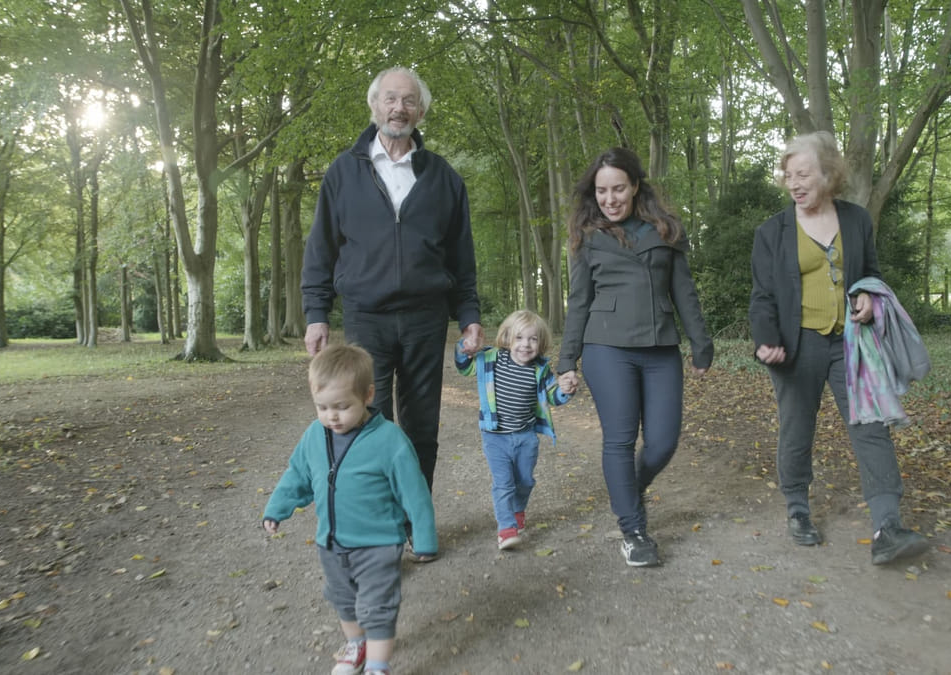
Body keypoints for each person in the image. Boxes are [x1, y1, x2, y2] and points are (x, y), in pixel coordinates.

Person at [301, 66, 484, 563]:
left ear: (420, 111)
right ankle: (377, 532)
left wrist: (469, 314)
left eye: (408, 100)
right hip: (366, 318)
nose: (398, 108)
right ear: (374, 106)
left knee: (422, 429)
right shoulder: (343, 172)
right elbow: (320, 249)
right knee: (366, 427)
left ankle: (413, 523)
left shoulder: (444, 178)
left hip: (427, 317)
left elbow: (461, 257)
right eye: (389, 99)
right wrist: (316, 312)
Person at [748, 130, 928, 566]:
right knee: (797, 429)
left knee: (872, 427)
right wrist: (767, 340)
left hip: (851, 344)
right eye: (789, 175)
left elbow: (871, 272)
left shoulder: (856, 220)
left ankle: (888, 526)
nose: (794, 183)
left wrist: (867, 295)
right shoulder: (772, 231)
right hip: (797, 346)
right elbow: (762, 296)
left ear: (828, 174)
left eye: (803, 174)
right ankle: (798, 509)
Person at [557, 147, 713, 567]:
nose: (610, 199)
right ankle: (633, 530)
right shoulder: (588, 237)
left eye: (618, 189)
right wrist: (566, 361)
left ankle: (630, 489)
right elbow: (579, 302)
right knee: (620, 440)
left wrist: (701, 343)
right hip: (606, 348)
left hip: (660, 348)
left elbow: (684, 291)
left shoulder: (665, 230)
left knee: (662, 442)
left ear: (635, 186)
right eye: (602, 191)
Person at [262, 343, 437, 675]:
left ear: (368, 395)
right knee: (343, 600)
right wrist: (276, 508)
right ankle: (357, 645)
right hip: (331, 543)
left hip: (378, 544)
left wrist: (425, 538)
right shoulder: (315, 435)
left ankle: (378, 665)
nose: (332, 416)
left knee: (378, 606)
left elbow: (415, 494)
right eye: (322, 407)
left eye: (342, 407)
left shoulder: (390, 440)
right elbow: (297, 474)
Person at [454, 310, 574, 551]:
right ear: (507, 338)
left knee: (525, 481)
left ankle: (518, 510)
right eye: (519, 338)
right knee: (504, 484)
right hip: (495, 436)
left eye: (532, 339)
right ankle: (506, 529)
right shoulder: (491, 359)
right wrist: (464, 347)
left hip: (526, 436)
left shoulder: (540, 369)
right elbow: (464, 367)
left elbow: (552, 396)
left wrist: (565, 390)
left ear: (541, 343)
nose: (525, 345)